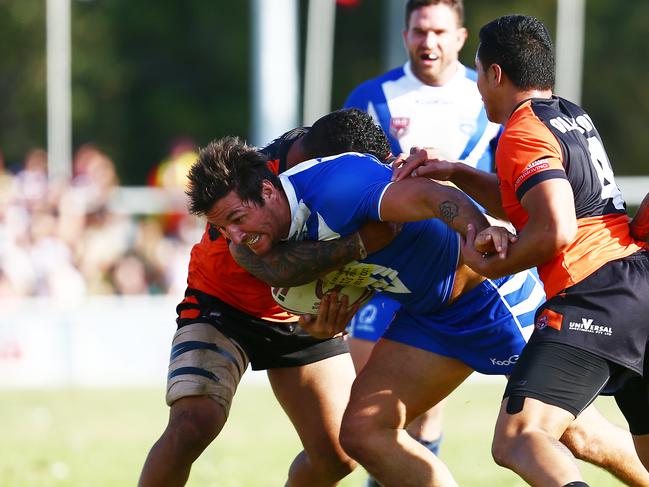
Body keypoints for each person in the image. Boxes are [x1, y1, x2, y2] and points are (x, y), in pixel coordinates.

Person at [186, 136, 649, 487]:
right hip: (429, 318)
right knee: (365, 432)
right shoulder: (262, 242)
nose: (234, 238)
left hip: (490, 300)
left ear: (268, 193)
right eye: (222, 228)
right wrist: (324, 322)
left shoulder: (336, 188)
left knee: (576, 436)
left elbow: (429, 196)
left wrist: (479, 232)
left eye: (236, 220)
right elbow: (352, 272)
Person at [392, 14, 649, 487]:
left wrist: (493, 264)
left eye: (479, 72)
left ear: (495, 74)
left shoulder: (522, 130)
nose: (479, 90)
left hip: (593, 293)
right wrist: (456, 172)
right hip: (637, 284)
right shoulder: (569, 113)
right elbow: (529, 201)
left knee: (518, 436)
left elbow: (556, 227)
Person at [138, 108, 397, 487]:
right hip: (221, 304)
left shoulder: (355, 173)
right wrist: (360, 244)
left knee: (339, 456)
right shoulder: (265, 178)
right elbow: (281, 268)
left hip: (296, 315)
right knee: (194, 423)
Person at [343, 0, 500, 466]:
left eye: (437, 32)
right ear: (405, 34)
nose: (427, 42)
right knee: (373, 412)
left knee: (425, 417)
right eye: (418, 31)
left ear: (460, 37)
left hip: (455, 271)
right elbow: (348, 173)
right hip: (386, 265)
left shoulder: (489, 94)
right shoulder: (373, 95)